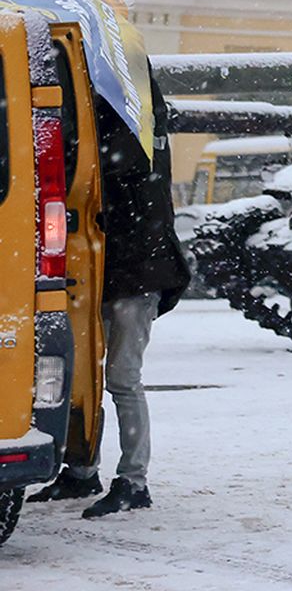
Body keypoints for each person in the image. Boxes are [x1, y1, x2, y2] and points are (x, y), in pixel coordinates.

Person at [29, 78, 191, 518]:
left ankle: (133, 480)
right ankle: (82, 469)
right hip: (113, 274)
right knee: (86, 378)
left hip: (133, 278)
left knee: (121, 379)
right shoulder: (133, 130)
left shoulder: (129, 140)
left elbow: (108, 179)